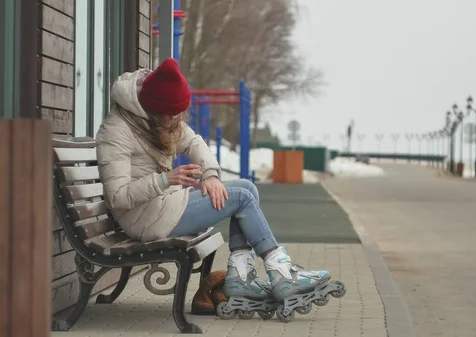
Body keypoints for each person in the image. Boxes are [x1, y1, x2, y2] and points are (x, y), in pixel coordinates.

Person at [96, 58, 345, 322]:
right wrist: (165, 180)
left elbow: (194, 142)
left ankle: (242, 277)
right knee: (240, 197)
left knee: (246, 187)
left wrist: (211, 175)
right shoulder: (118, 130)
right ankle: (280, 273)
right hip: (143, 218)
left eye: (182, 113)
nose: (178, 120)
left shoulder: (158, 115)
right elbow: (118, 197)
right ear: (156, 110)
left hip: (163, 204)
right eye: (174, 115)